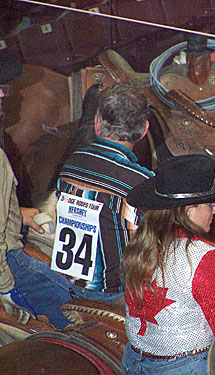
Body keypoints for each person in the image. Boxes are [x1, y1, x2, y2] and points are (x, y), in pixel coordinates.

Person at [6, 80, 154, 328]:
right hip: (111, 295)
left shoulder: (72, 164)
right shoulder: (143, 184)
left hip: (67, 282)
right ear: (144, 130)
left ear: (96, 123)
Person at [121, 154, 215, 375]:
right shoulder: (204, 256)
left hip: (134, 359)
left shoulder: (139, 245)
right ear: (189, 210)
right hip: (187, 366)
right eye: (211, 204)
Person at [0, 54, 45, 324]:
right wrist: (7, 288)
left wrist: (16, 211)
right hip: (8, 260)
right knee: (70, 305)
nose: (3, 94)